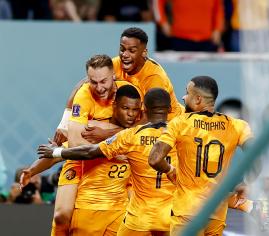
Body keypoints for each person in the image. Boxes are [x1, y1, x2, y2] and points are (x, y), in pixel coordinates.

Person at [21, 55, 141, 236]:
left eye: (103, 81)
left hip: (112, 159)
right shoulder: (84, 95)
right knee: (62, 216)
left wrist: (103, 131)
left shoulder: (129, 92)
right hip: (80, 156)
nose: (99, 88)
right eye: (93, 82)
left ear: (113, 76)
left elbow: (140, 127)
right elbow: (75, 143)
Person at [38, 88, 175, 236]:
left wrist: (55, 151)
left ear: (144, 109)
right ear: (170, 108)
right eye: (126, 108)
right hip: (170, 216)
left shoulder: (130, 136)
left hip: (138, 219)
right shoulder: (180, 135)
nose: (130, 113)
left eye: (134, 109)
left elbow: (90, 152)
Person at [149, 76, 254, 235]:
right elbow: (257, 157)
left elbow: (155, 159)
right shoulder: (238, 125)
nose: (183, 98)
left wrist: (170, 170)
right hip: (216, 212)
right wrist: (245, 183)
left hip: (187, 212)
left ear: (197, 99)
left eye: (187, 93)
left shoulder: (180, 123)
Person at [54, 27, 184, 146]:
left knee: (92, 133)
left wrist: (108, 135)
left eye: (131, 51)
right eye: (122, 49)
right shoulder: (116, 64)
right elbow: (82, 85)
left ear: (144, 52)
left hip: (165, 125)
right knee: (80, 128)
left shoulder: (155, 78)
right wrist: (64, 125)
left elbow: (149, 119)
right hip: (134, 122)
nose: (125, 55)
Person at [154, 0, 224, 52]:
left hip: (207, 41)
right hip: (180, 39)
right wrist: (162, 23)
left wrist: (217, 29)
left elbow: (218, 9)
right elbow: (157, 2)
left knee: (206, 70)